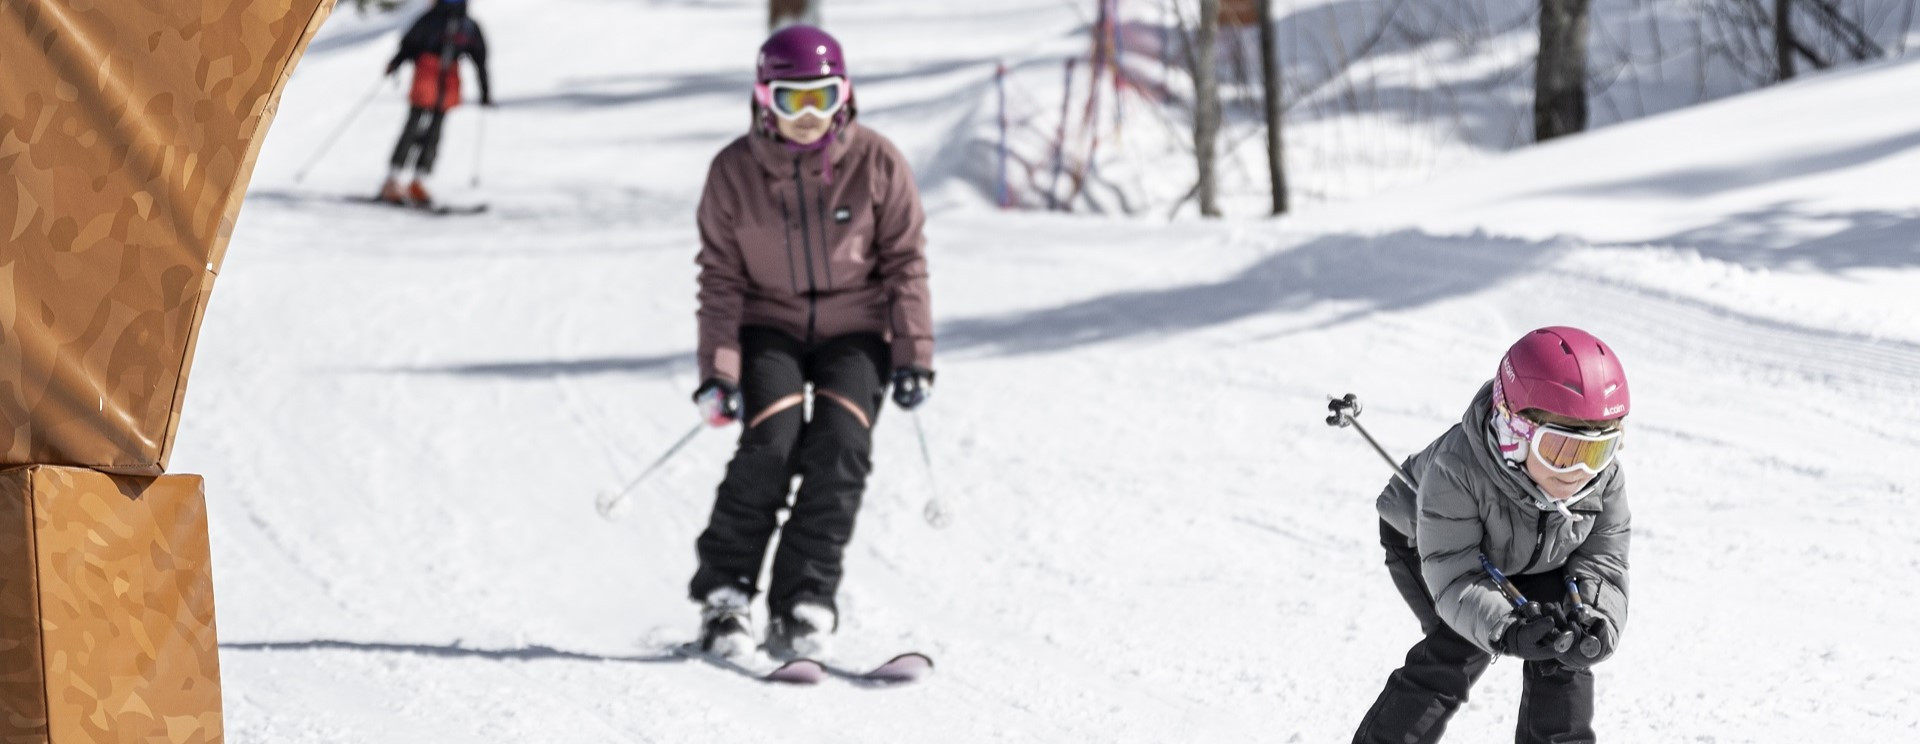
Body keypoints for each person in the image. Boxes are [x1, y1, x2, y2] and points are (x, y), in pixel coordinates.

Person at [686, 25, 935, 660]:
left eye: (821, 97)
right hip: (768, 325)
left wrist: (913, 357)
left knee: (842, 446)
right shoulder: (734, 172)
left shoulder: (877, 162)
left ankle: (805, 599)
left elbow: (905, 263)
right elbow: (720, 280)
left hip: (855, 331)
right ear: (763, 98)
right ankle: (725, 597)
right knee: (772, 440)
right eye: (791, 100)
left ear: (844, 95)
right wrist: (721, 372)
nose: (807, 116)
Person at [1352, 326, 1631, 744]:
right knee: (1461, 647)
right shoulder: (1455, 470)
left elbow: (1603, 561)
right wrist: (1507, 627)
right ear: (1515, 433)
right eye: (1559, 450)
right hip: (1426, 544)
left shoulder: (1600, 480)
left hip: (1530, 552)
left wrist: (1594, 616)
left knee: (1563, 644)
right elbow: (1456, 575)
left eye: (1597, 451)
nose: (1578, 474)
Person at [378, 0, 491, 207]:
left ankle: (400, 179)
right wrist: (485, 91)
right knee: (430, 130)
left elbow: (409, 44)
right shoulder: (466, 25)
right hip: (443, 77)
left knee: (419, 127)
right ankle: (410, 180)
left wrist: (396, 62)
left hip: (433, 76)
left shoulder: (434, 19)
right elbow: (480, 58)